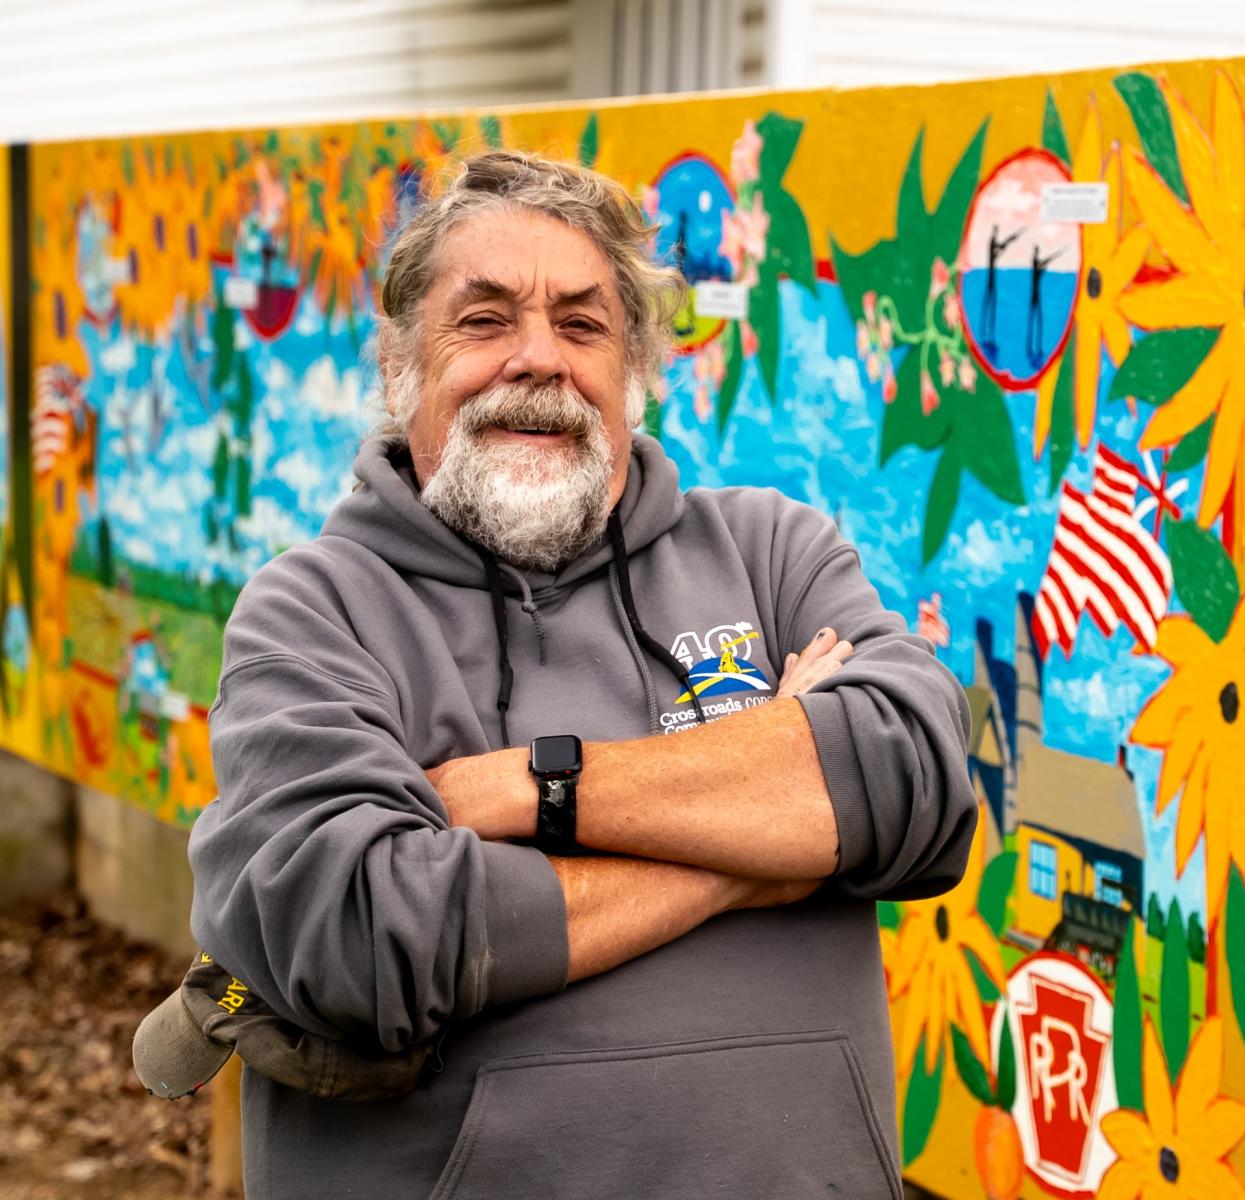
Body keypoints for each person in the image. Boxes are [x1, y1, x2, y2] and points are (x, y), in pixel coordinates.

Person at [181, 150, 977, 1198]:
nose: (538, 359)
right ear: (399, 367)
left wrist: (530, 791)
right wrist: (758, 841)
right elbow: (364, 936)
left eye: (583, 323)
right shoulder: (316, 611)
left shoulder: (769, 552)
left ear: (634, 371)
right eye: (484, 319)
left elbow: (915, 782)